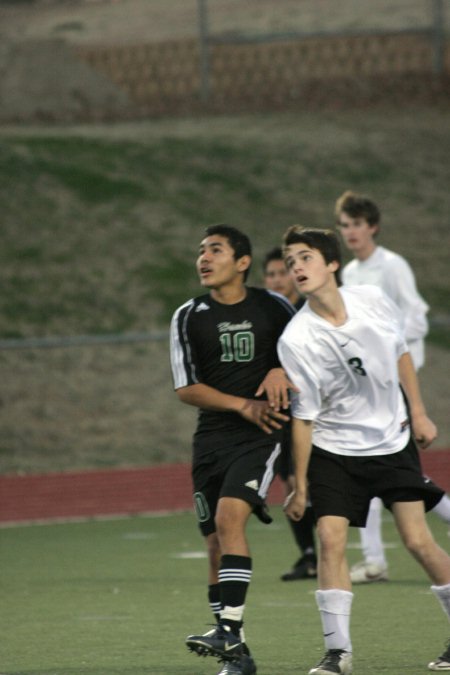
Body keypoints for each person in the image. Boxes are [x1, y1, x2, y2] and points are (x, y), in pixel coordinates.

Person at [277, 225, 450, 674]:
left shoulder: (372, 299)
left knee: (417, 540)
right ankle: (338, 654)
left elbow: (400, 354)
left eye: (305, 257)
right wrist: (298, 485)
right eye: (290, 260)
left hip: (391, 443)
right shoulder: (296, 339)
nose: (297, 266)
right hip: (334, 451)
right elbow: (304, 417)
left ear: (332, 263)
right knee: (330, 539)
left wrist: (419, 412)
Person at [170, 224, 296, 675]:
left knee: (229, 519)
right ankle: (238, 656)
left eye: (215, 250)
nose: (203, 258)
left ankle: (227, 631)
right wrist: (241, 403)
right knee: (212, 547)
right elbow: (186, 388)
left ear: (242, 263)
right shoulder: (189, 314)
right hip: (211, 439)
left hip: (260, 435)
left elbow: (307, 350)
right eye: (200, 251)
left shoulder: (273, 306)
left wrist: (281, 367)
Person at [336, 190, 450, 585]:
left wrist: (390, 345)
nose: (350, 232)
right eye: (344, 225)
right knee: (365, 467)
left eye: (356, 224)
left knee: (396, 474)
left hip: (400, 383)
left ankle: (378, 559)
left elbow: (417, 316)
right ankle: (374, 561)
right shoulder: (349, 274)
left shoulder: (393, 266)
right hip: (370, 386)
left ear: (373, 226)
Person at [263, 247, 318, 581]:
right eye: (270, 275)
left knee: (317, 481)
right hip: (285, 412)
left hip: (316, 412)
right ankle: (309, 555)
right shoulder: (265, 313)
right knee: (291, 482)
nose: (276, 280)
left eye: (281, 272)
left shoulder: (308, 312)